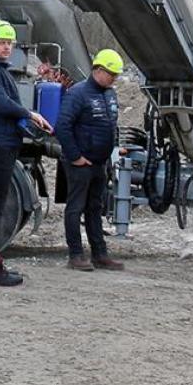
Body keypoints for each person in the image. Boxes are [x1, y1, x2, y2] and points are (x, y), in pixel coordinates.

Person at [0, 20, 52, 288]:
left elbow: (8, 107)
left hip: (4, 142)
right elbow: (2, 104)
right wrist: (30, 114)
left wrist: (28, 123)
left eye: (10, 43)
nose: (6, 48)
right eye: (1, 42)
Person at [56, 48, 127, 271]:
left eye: (116, 75)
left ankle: (100, 254)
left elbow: (111, 126)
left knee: (95, 208)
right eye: (111, 74)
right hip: (81, 163)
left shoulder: (109, 94)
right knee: (75, 208)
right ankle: (75, 254)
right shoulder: (77, 93)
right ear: (97, 70)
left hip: (100, 162)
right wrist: (76, 157)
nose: (114, 79)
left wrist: (112, 153)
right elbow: (62, 127)